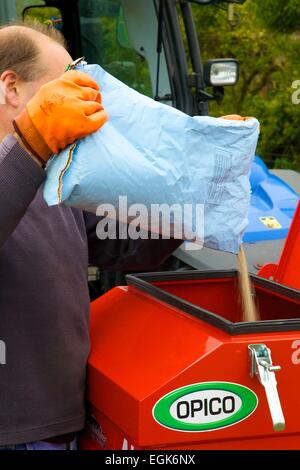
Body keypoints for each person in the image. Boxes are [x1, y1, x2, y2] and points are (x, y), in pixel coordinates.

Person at [0, 23, 181, 450]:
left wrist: (187, 195)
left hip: (63, 421)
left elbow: (123, 243)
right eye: (60, 87)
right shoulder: (27, 164)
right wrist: (30, 144)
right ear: (12, 87)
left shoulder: (54, 179)